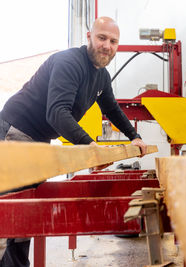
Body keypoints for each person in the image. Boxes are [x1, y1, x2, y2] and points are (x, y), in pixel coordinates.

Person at [0, 16, 147, 267]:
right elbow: (56, 112)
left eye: (113, 41)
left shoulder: (102, 77)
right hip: (15, 132)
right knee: (10, 212)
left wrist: (135, 136)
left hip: (38, 140)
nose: (107, 46)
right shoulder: (69, 62)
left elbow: (111, 109)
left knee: (26, 211)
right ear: (89, 37)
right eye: (102, 38)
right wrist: (88, 145)